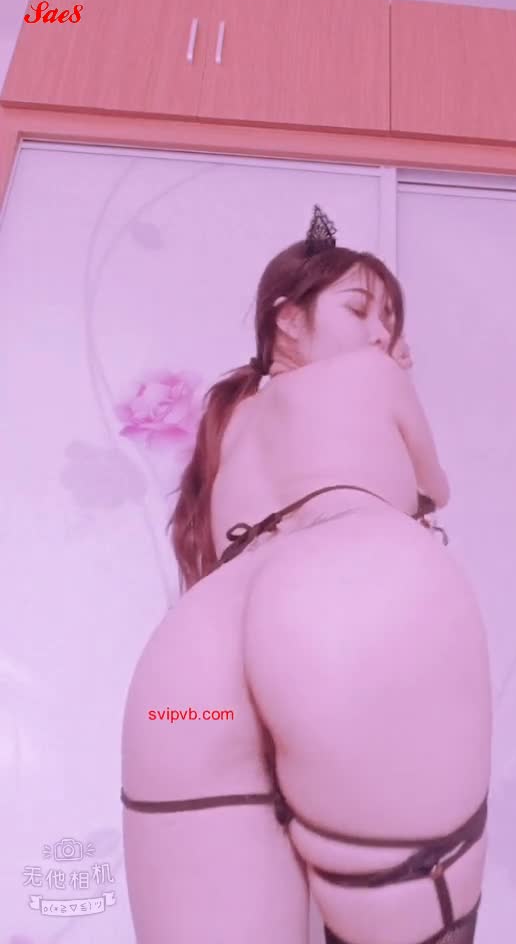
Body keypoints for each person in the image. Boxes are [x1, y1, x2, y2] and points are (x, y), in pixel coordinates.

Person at [120, 206, 492, 944]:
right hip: (344, 601)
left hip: (188, 674)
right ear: (287, 320)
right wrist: (395, 379)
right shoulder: (375, 375)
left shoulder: (228, 417)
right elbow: (436, 488)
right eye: (360, 310)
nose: (380, 334)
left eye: (389, 320)